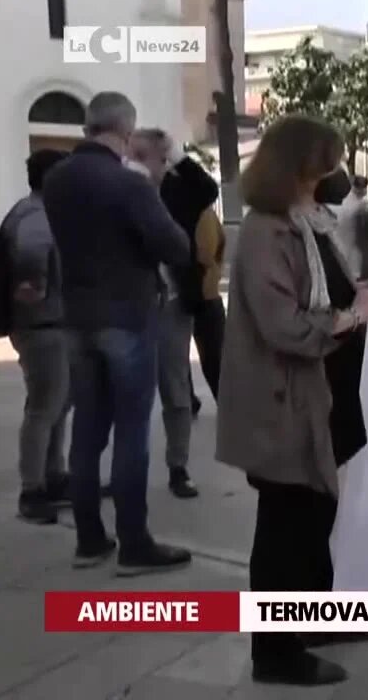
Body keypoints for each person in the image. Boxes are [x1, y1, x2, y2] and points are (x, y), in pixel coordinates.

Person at [216, 115, 368, 686]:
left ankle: (314, 616)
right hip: (285, 399)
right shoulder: (270, 231)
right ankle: (273, 652)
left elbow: (331, 292)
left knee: (315, 514)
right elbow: (287, 326)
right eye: (327, 160)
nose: (336, 171)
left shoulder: (309, 221)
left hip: (322, 392)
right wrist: (353, 315)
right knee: (285, 526)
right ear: (300, 164)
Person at [43, 92, 192, 573]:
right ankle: (134, 543)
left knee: (87, 430)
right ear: (126, 132)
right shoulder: (130, 183)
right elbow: (175, 246)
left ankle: (89, 540)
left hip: (77, 317)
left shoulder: (57, 177)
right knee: (131, 432)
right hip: (126, 316)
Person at [129, 128, 208, 499]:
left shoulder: (178, 190)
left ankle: (178, 466)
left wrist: (177, 154)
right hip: (129, 306)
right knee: (128, 393)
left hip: (173, 304)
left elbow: (208, 189)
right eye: (139, 156)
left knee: (175, 390)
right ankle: (126, 469)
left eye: (155, 157)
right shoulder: (121, 190)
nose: (148, 165)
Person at [0, 149, 71, 523]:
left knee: (56, 403)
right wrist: (34, 287)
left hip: (47, 324)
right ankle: (33, 490)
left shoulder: (32, 211)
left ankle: (53, 475)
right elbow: (30, 256)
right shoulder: (37, 215)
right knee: (44, 406)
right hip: (41, 327)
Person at [190, 203, 227, 405]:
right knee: (215, 356)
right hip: (206, 293)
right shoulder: (205, 212)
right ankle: (227, 401)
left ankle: (187, 398)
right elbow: (216, 245)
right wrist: (215, 269)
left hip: (194, 293)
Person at [335, 174, 368, 281]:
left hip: (341, 265)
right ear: (365, 188)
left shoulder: (337, 206)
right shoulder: (366, 207)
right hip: (361, 266)